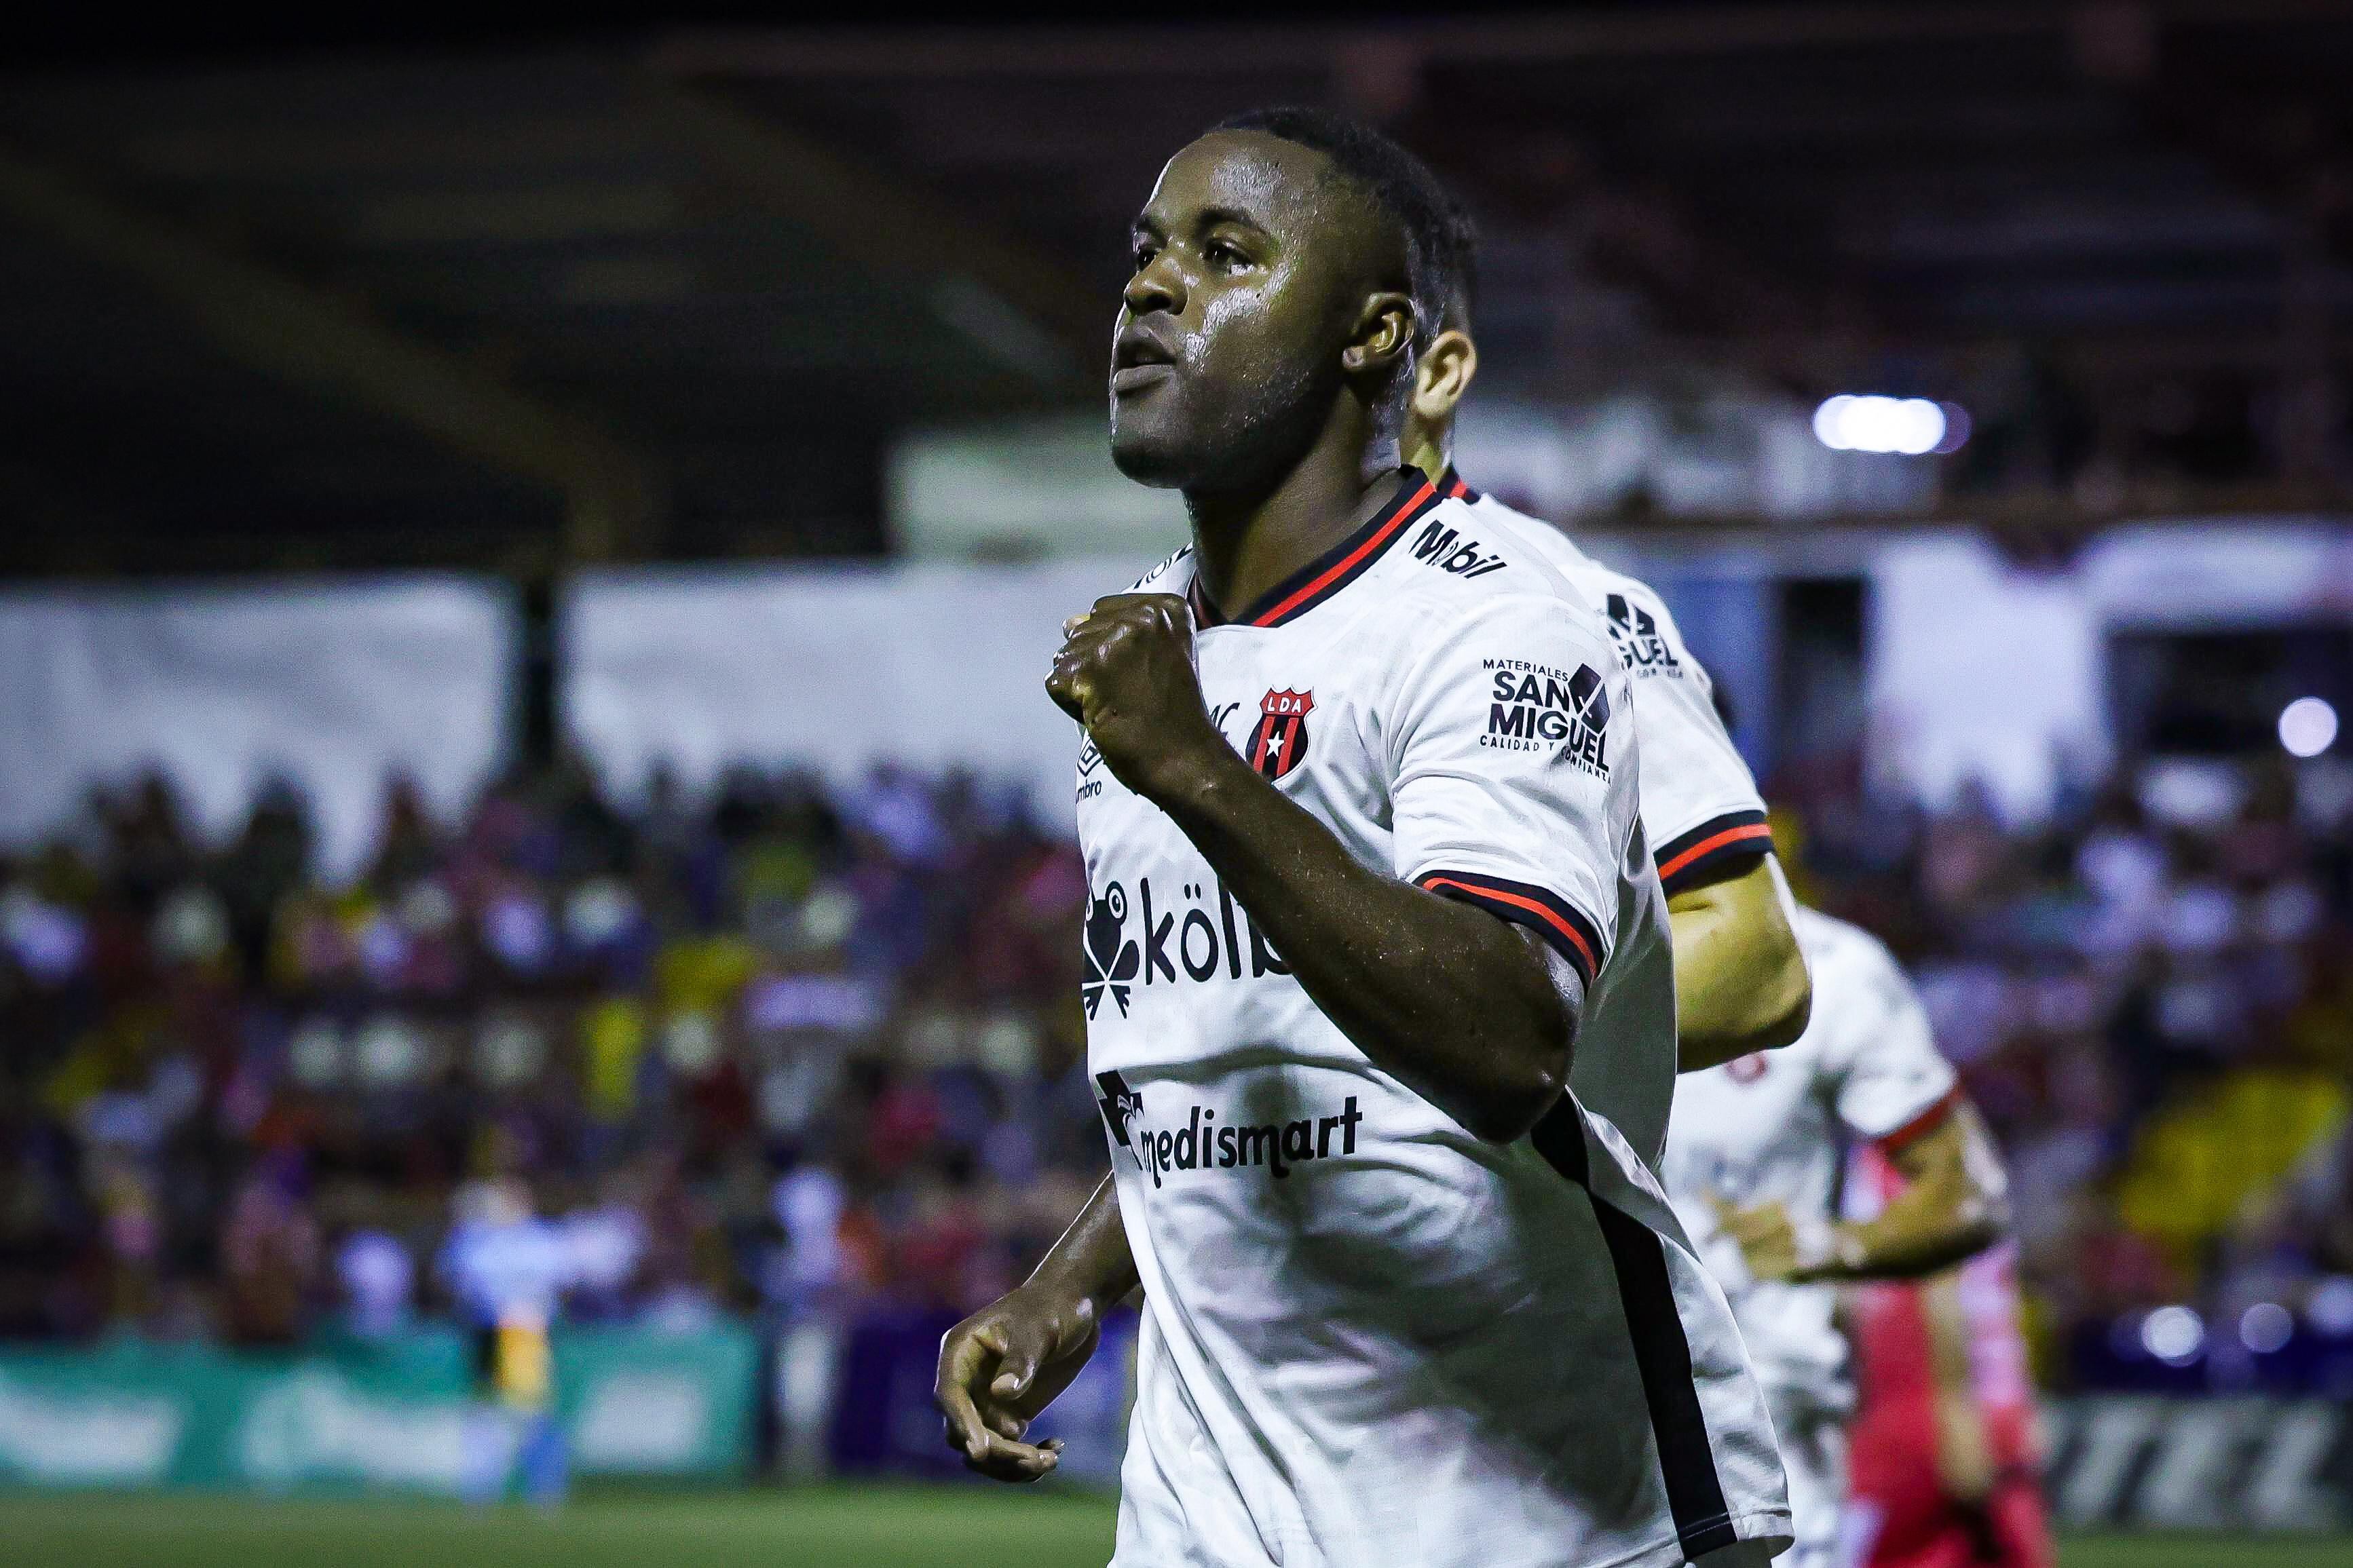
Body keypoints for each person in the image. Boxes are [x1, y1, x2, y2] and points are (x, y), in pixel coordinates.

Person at [936, 107, 1791, 1568]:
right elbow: (1231, 1048)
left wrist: (1193, 766)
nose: (1146, 289)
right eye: (1143, 255)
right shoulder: (1148, 648)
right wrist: (1070, 1281)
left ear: (1374, 337)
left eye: (1222, 256)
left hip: (1528, 1505)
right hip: (1211, 1505)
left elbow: (1507, 1039)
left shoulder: (1506, 619)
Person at [1397, 211, 1809, 1074]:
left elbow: (1756, 967)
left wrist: (1443, 1056)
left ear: (1432, 370)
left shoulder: (1573, 604)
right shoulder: (1184, 632)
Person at [1661, 906, 2011, 1567]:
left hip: (1757, 1412)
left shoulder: (1831, 967)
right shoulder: (1534, 930)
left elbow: (1969, 1192)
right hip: (1545, 1399)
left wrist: (1822, 1245)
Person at [1844, 1147, 2054, 1568]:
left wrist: (1954, 1405)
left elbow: (1942, 1289)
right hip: (1977, 1411)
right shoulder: (1961, 1151)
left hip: (1932, 1416)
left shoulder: (1903, 1157)